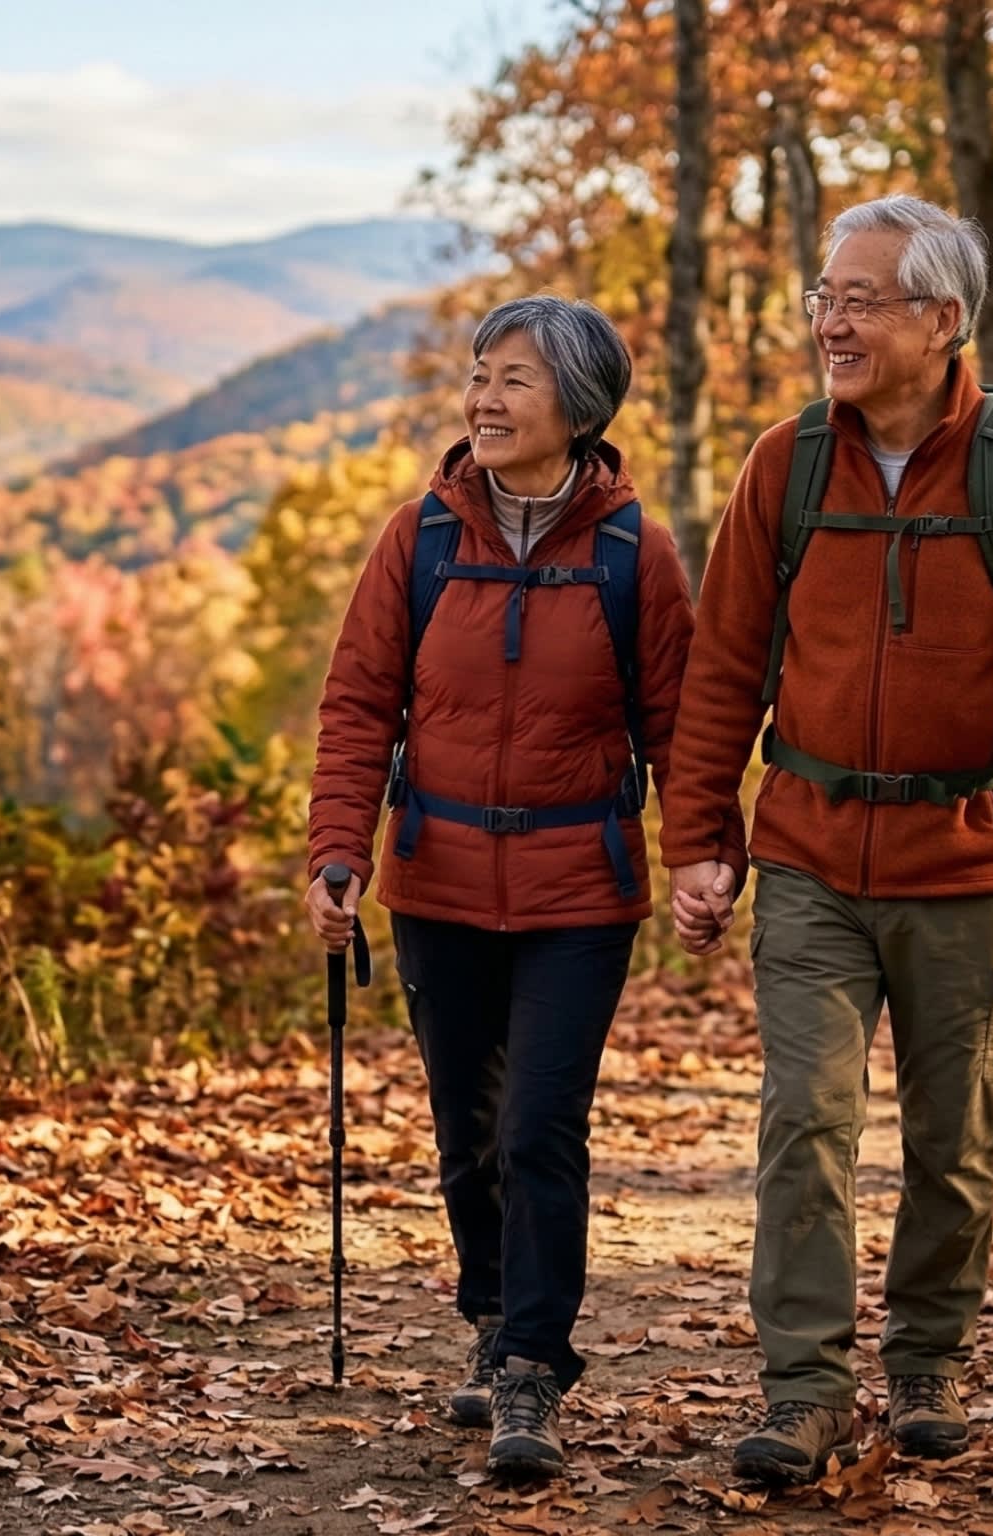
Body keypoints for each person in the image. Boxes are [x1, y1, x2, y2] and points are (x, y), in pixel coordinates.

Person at [658, 195, 993, 1486]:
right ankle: (805, 1391)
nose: (832, 320)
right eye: (825, 296)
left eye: (861, 299)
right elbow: (724, 669)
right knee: (804, 1126)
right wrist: (700, 839)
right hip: (811, 857)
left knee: (952, 1139)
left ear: (943, 319)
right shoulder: (787, 464)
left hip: (969, 865)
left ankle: (929, 1362)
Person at [305, 293, 733, 1479]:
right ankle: (492, 1319)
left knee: (540, 1126)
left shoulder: (629, 553)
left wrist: (704, 851)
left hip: (576, 896)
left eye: (515, 380)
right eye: (479, 375)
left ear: (578, 407)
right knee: (466, 1134)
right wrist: (335, 854)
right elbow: (356, 710)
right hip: (434, 881)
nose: (484, 400)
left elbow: (677, 729)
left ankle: (534, 1367)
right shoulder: (421, 538)